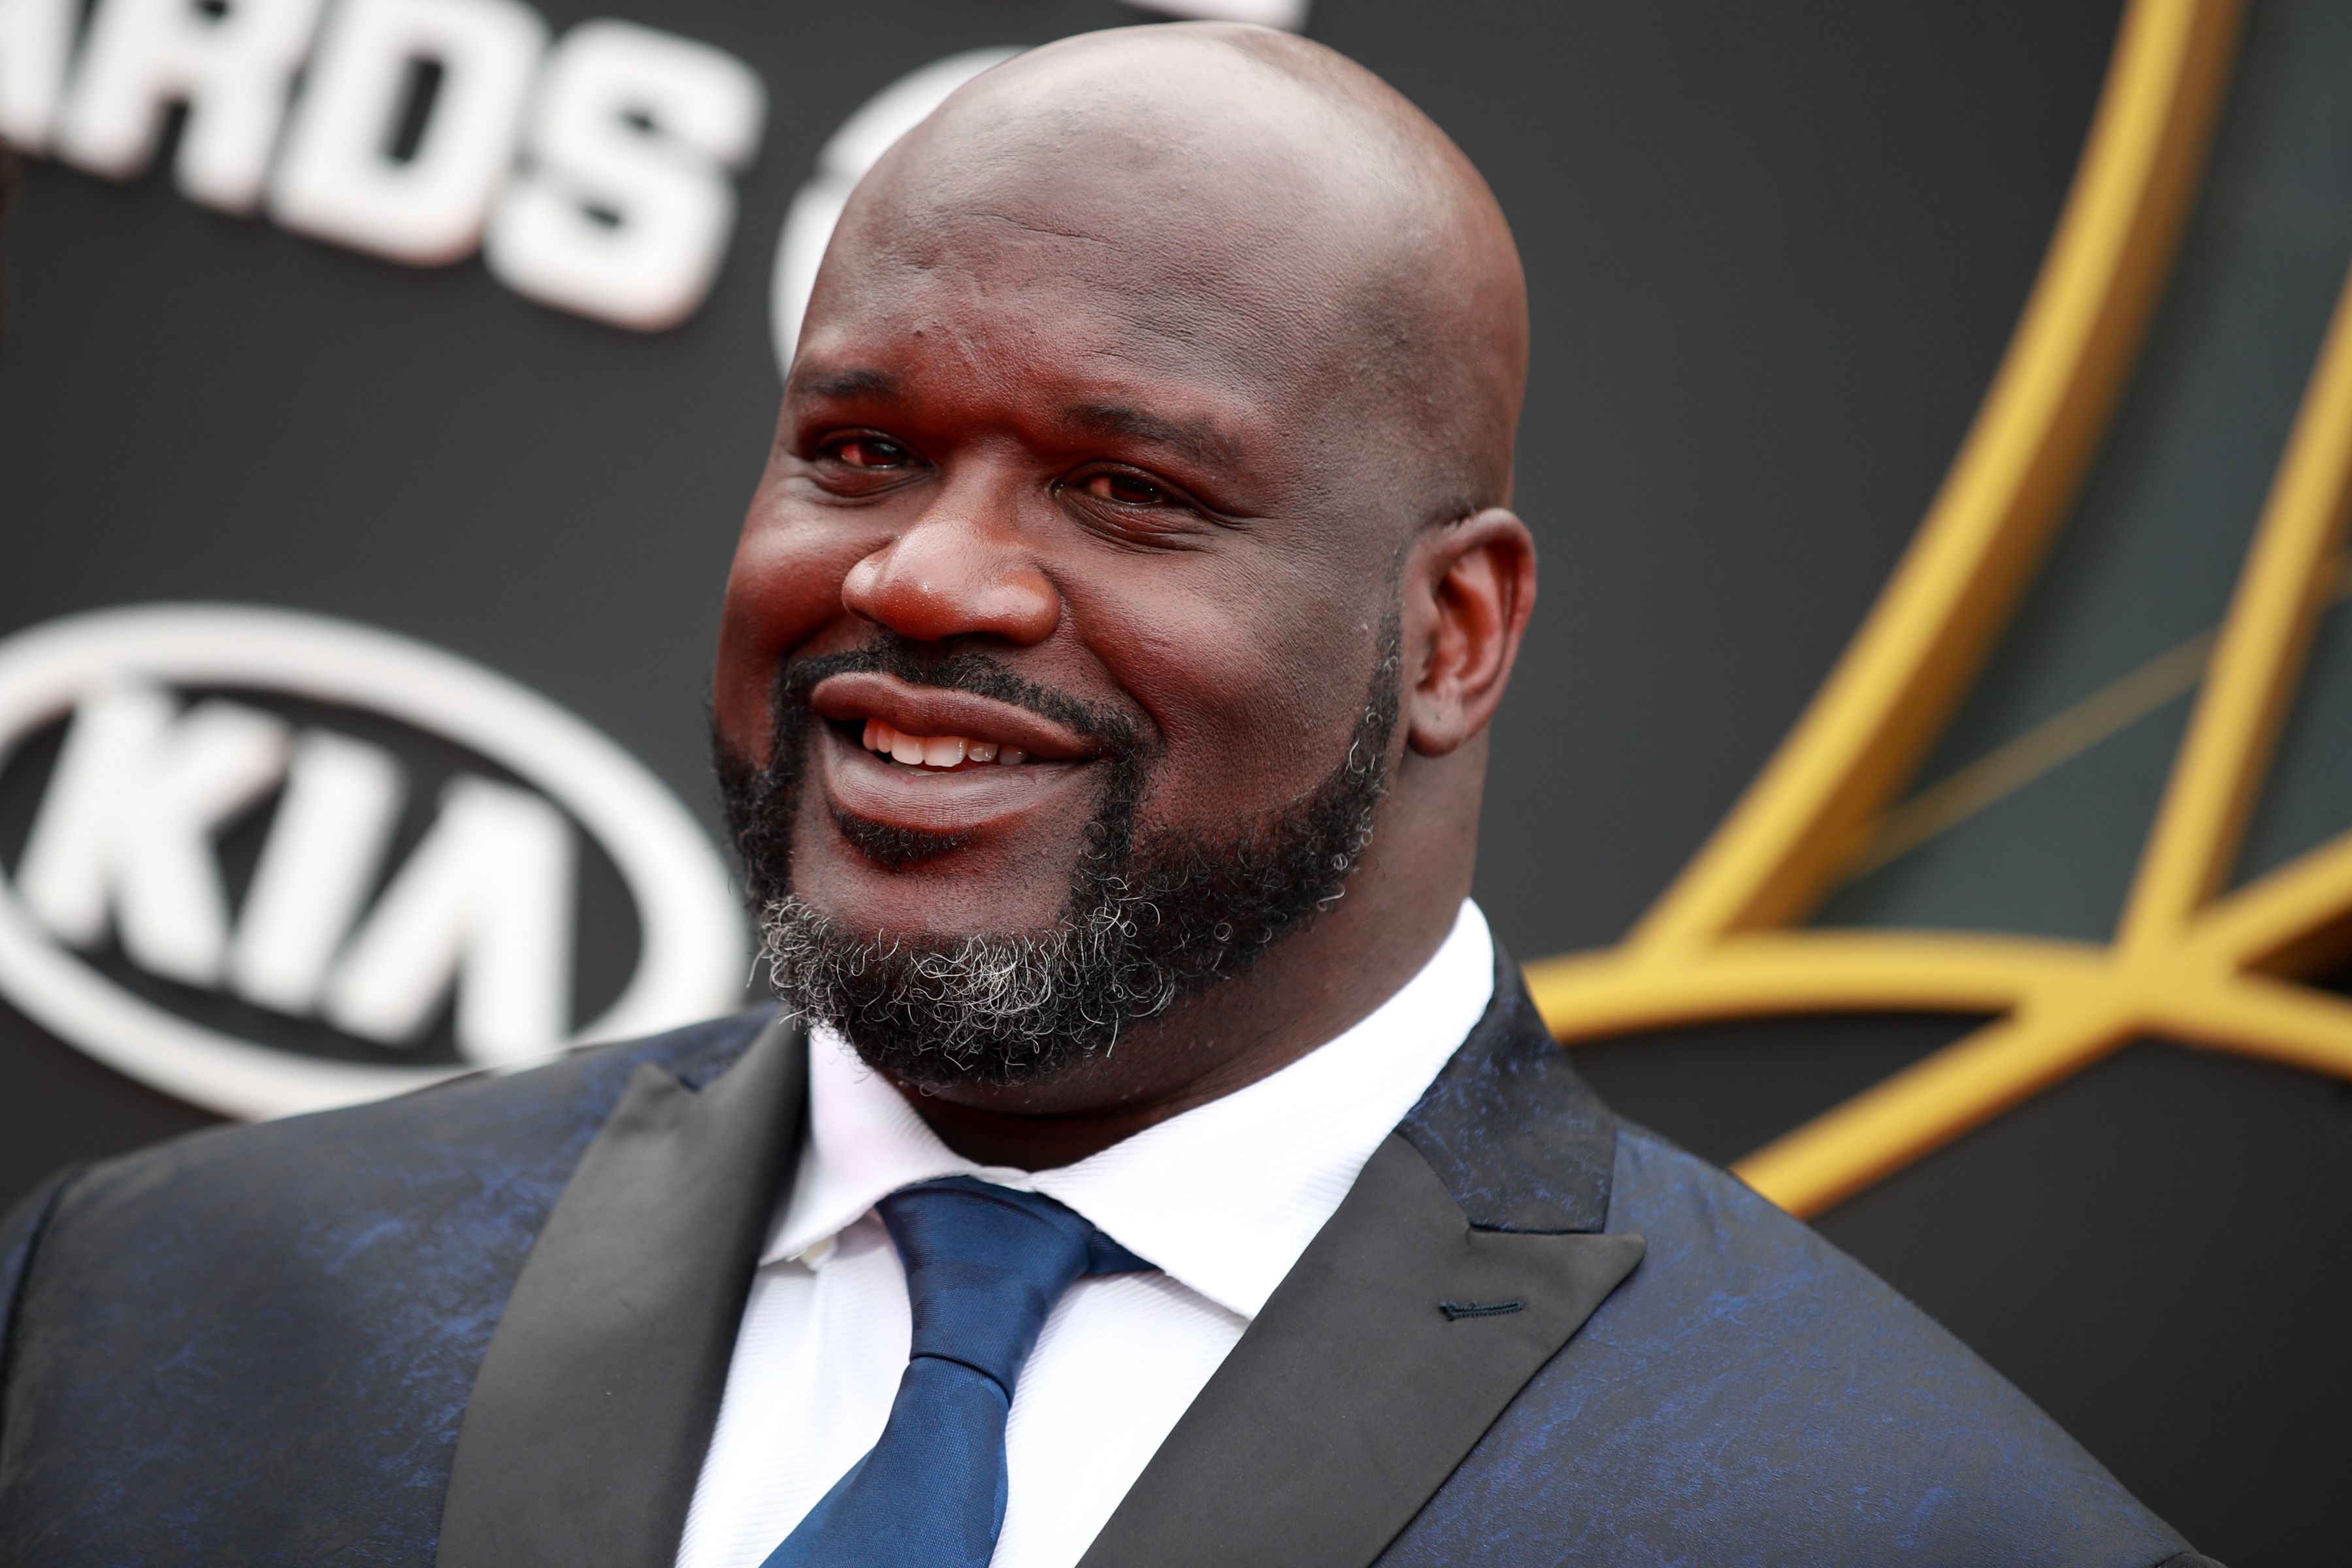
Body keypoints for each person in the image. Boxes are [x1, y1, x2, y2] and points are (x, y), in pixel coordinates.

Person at [0, 24, 2215, 1567]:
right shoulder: (166, 1312)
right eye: (860, 447)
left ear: (1451, 639)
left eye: (1130, 491)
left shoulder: (1897, 1526)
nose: (928, 574)